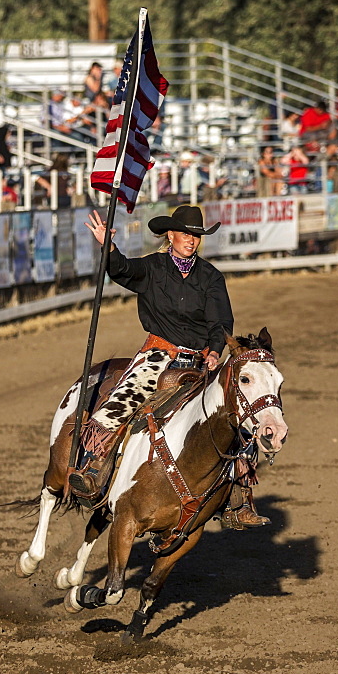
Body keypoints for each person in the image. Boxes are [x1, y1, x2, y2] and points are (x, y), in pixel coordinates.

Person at [67, 205, 270, 528]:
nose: (192, 241)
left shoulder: (211, 277)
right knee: (121, 402)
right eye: (186, 234)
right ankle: (93, 470)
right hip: (158, 356)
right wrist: (109, 246)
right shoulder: (153, 267)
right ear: (170, 235)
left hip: (201, 358)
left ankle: (238, 500)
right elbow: (121, 271)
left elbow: (221, 322)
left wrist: (216, 352)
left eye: (196, 236)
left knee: (235, 416)